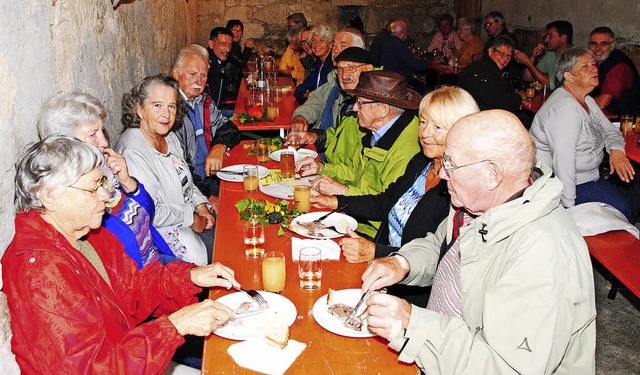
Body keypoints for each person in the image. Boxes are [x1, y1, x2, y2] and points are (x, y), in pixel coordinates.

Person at [361, 110, 597, 374]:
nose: (442, 175)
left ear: (492, 174)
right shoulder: (479, 202)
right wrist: (402, 263)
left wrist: (411, 323)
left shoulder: (541, 255)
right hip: (440, 349)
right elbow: (441, 245)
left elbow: (505, 367)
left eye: (450, 165)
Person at [2, 135, 241, 373]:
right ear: (49, 196)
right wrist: (175, 326)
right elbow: (91, 368)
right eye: (93, 188)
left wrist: (190, 277)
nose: (105, 196)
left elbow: (134, 288)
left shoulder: (85, 235)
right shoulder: (41, 275)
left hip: (128, 354)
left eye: (102, 184)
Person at [311, 87, 479, 306]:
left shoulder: (462, 190)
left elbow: (441, 257)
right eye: (423, 122)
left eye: (438, 127)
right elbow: (384, 202)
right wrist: (335, 201)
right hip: (380, 272)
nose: (425, 133)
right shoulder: (422, 162)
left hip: (412, 297)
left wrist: (376, 251)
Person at [36, 92, 179, 268]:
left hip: (154, 257)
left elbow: (149, 212)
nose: (104, 142)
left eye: (102, 131)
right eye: (93, 134)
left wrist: (127, 181)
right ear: (65, 145)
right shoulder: (77, 199)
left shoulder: (106, 173)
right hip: (140, 274)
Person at [296, 70, 422, 238]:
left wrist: (342, 191)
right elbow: (356, 172)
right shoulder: (376, 130)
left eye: (361, 103)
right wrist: (322, 168)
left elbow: (385, 205)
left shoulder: (407, 147)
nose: (354, 108)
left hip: (376, 233)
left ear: (382, 110)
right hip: (354, 215)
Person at [116, 74, 214, 266]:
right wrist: (192, 218)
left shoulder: (168, 137)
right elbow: (151, 211)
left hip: (187, 219)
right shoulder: (133, 151)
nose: (167, 114)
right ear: (139, 109)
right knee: (224, 254)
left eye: (171, 106)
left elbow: (186, 181)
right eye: (157, 105)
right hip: (160, 237)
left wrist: (202, 205)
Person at [530, 48, 637, 222]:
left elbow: (610, 130)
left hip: (590, 178)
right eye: (585, 66)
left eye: (594, 64)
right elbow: (563, 162)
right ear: (569, 76)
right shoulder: (565, 109)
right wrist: (568, 209)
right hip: (566, 185)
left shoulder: (586, 100)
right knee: (627, 206)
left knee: (630, 197)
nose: (594, 69)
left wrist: (616, 150)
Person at [171, 44, 241, 198]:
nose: (199, 81)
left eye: (203, 75)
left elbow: (229, 128)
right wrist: (207, 197)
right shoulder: (170, 110)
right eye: (192, 74)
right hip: (190, 188)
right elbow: (179, 169)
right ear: (176, 73)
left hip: (212, 176)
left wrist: (219, 147)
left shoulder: (202, 101)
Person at [286, 47, 373, 158]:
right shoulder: (345, 90)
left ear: (369, 68)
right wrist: (314, 135)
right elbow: (340, 137)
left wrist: (324, 168)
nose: (344, 75)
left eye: (351, 68)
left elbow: (359, 166)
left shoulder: (376, 101)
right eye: (340, 69)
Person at [291, 28, 366, 131]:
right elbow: (316, 100)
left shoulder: (365, 84)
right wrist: (301, 117)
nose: (336, 50)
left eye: (343, 46)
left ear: (359, 50)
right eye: (335, 45)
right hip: (324, 137)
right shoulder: (333, 76)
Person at [458, 35, 523, 113]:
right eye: (501, 53)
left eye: (509, 56)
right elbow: (503, 105)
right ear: (490, 51)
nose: (505, 59)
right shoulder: (488, 71)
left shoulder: (479, 65)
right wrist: (519, 97)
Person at [589, 26, 640, 116]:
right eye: (594, 44)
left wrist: (577, 102)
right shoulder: (593, 62)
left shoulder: (619, 66)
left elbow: (602, 103)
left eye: (603, 44)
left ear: (612, 46)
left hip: (623, 122)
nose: (597, 48)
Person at [515, 20, 573, 90]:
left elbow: (551, 85)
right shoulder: (551, 54)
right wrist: (533, 57)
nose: (546, 40)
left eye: (550, 36)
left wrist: (528, 62)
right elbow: (527, 77)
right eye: (546, 36)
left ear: (563, 38)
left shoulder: (574, 56)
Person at [294, 25, 335, 103]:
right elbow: (299, 90)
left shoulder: (333, 65)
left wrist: (311, 94)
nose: (316, 44)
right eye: (313, 41)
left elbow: (325, 97)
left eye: (322, 40)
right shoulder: (318, 64)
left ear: (330, 44)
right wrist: (307, 94)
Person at [205, 27, 234, 109]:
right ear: (211, 44)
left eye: (230, 45)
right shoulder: (207, 66)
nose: (228, 49)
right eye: (223, 44)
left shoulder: (219, 62)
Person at [225, 19, 255, 96]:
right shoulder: (229, 46)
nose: (238, 34)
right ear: (228, 31)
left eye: (240, 31)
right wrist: (247, 47)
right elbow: (242, 62)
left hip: (235, 82)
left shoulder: (235, 45)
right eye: (235, 31)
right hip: (230, 87)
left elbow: (241, 59)